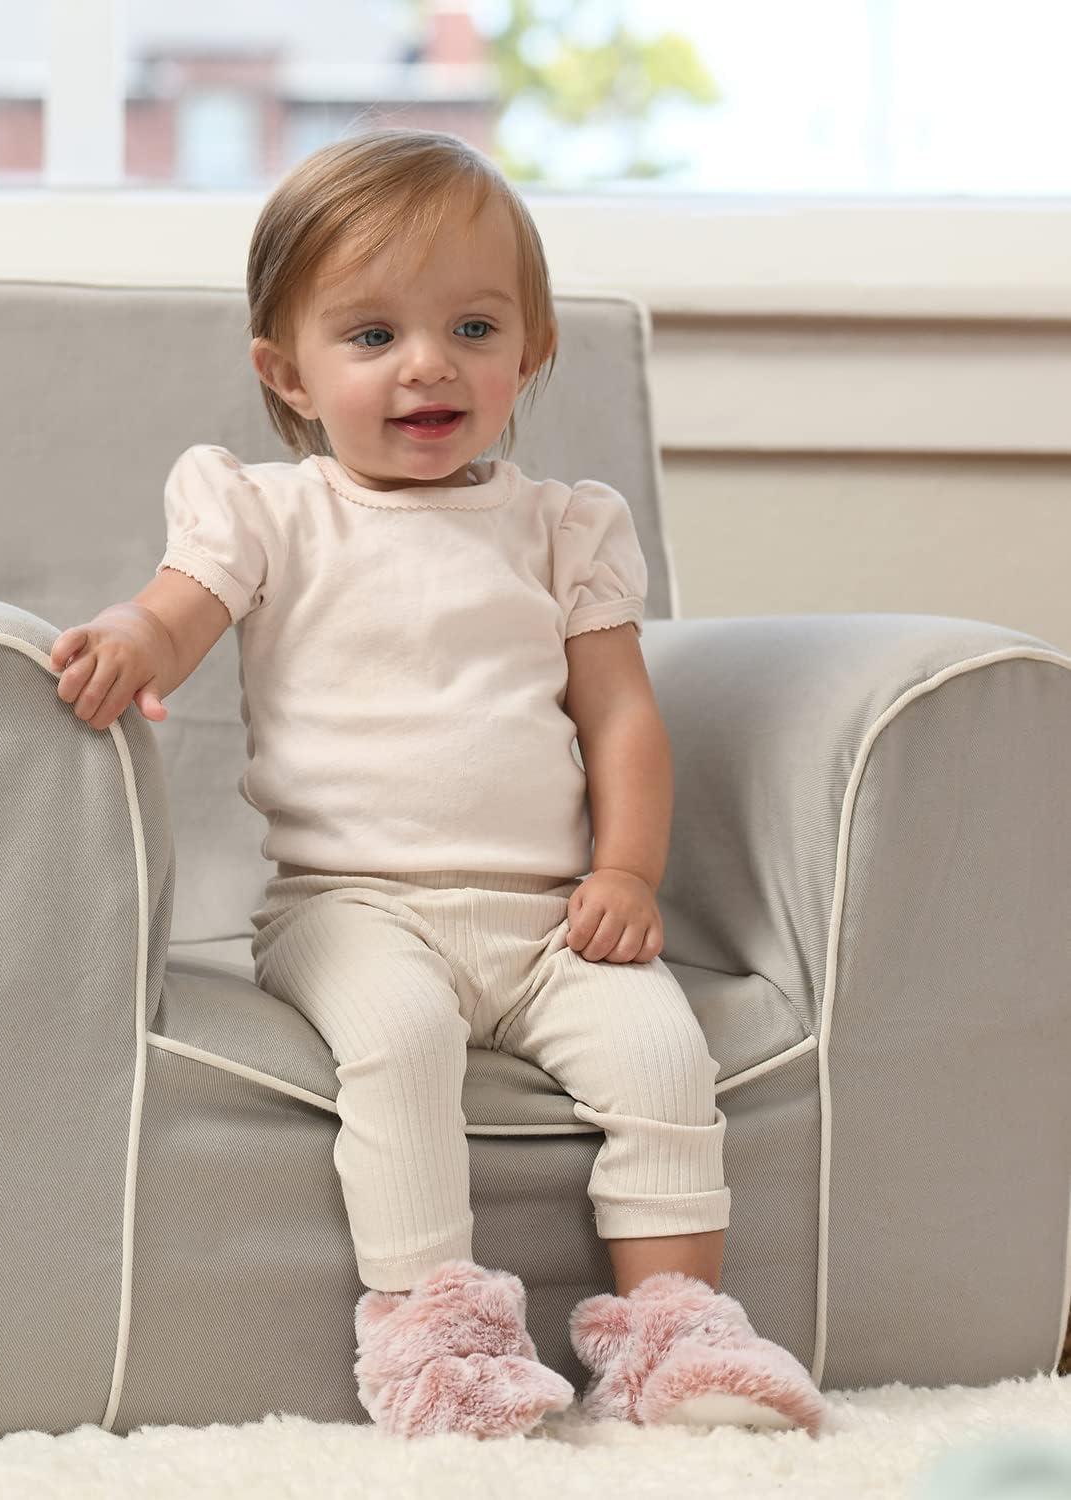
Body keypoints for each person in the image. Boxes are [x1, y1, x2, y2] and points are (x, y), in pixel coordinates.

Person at [47, 127, 826, 1442]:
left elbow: (621, 716)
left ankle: (680, 1336)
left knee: (661, 1053)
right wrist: (131, 639)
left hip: (548, 917)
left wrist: (626, 870)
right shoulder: (269, 514)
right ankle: (436, 1338)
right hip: (350, 906)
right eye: (372, 335)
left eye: (473, 327)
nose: (428, 364)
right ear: (286, 373)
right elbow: (179, 613)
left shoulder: (561, 528)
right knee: (400, 1042)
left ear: (532, 350)